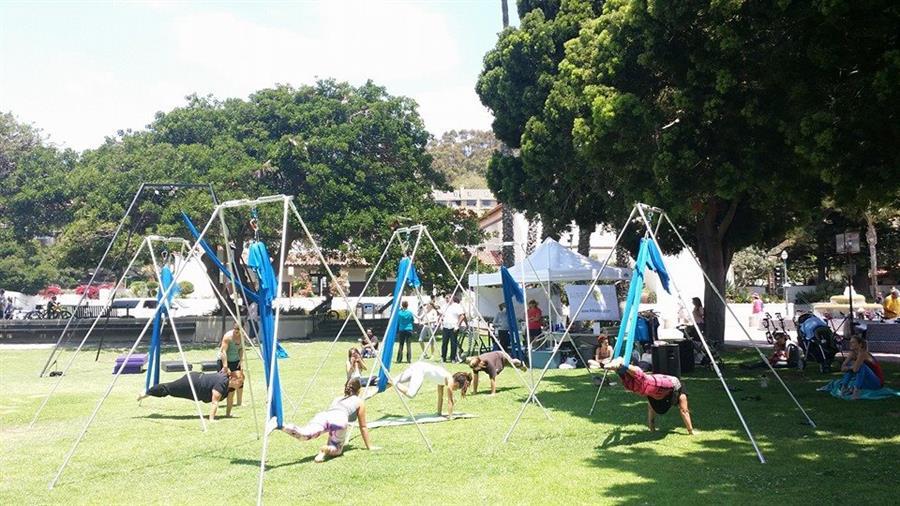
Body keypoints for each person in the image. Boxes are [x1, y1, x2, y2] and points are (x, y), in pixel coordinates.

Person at [272, 377, 372, 463]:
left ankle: (282, 426)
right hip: (340, 420)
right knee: (337, 450)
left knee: (305, 434)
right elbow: (363, 427)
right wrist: (369, 446)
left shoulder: (337, 399)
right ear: (359, 390)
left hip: (324, 416)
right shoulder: (359, 402)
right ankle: (326, 449)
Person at [604, 357, 694, 434]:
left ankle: (617, 368)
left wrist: (652, 429)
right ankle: (622, 364)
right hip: (668, 383)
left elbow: (651, 409)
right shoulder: (680, 389)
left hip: (654, 386)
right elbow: (684, 411)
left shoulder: (654, 398)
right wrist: (691, 431)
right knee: (644, 381)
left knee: (631, 385)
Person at [137, 370, 244, 422]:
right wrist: (211, 419)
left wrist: (228, 415)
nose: (241, 385)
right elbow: (214, 402)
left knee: (170, 390)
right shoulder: (222, 382)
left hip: (197, 390)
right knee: (169, 389)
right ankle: (146, 392)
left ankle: (148, 392)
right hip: (192, 382)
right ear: (233, 379)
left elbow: (230, 401)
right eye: (240, 382)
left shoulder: (231, 387)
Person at [392, 361, 471, 417]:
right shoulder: (450, 381)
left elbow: (440, 397)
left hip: (418, 366)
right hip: (420, 369)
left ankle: (389, 381)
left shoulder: (444, 379)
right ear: (456, 383)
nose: (456, 390)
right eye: (457, 388)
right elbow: (450, 401)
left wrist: (439, 413)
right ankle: (393, 381)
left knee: (393, 381)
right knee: (411, 393)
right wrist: (450, 417)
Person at [218, 324, 245, 405]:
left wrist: (241, 360)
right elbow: (223, 352)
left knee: (240, 380)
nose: (236, 330)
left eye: (238, 329)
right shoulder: (228, 336)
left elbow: (241, 348)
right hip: (224, 360)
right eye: (235, 328)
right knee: (224, 382)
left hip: (235, 360)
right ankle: (217, 401)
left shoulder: (243, 336)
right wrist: (225, 366)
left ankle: (239, 403)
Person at [440, 295, 466, 363]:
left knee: (453, 343)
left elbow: (462, 316)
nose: (446, 299)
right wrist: (441, 323)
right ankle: (443, 357)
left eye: (447, 298)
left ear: (451, 298)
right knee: (444, 343)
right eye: (445, 298)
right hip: (446, 327)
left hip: (454, 327)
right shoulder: (444, 306)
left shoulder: (457, 306)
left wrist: (457, 325)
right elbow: (441, 315)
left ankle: (453, 358)